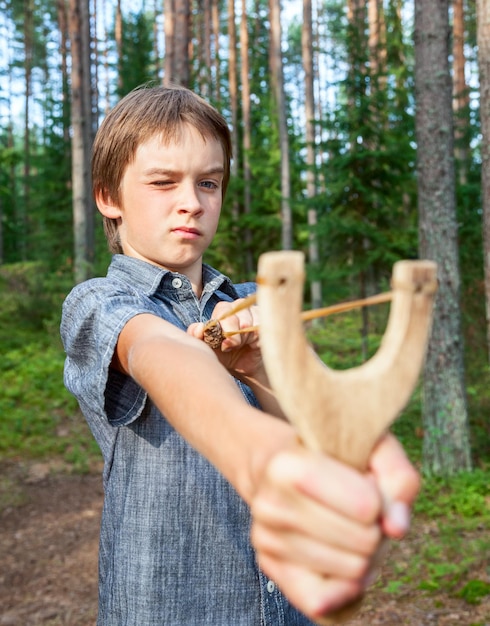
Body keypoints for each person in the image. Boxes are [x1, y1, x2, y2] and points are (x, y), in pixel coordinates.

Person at [60, 84, 419, 626]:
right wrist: (260, 457)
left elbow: (314, 431)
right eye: (163, 182)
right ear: (108, 195)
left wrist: (260, 367)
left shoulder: (254, 300)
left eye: (209, 182)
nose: (192, 202)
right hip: (169, 609)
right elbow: (157, 351)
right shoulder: (100, 301)